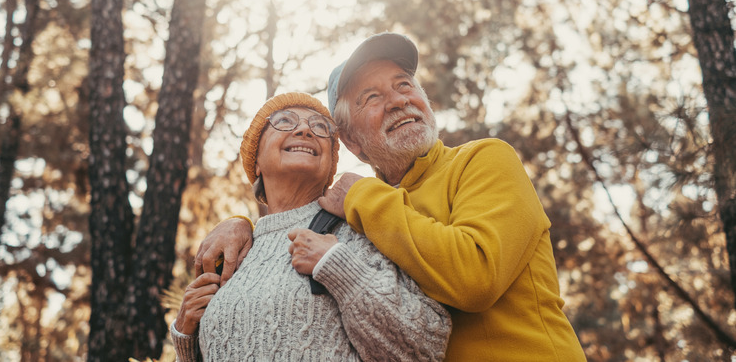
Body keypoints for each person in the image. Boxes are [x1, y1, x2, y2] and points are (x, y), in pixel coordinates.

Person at [197, 33, 589, 361]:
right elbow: (290, 223)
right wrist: (243, 225)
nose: (399, 100)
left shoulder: (482, 160)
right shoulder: (358, 215)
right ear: (351, 142)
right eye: (371, 97)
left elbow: (476, 277)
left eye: (404, 85)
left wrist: (362, 195)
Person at [171, 92, 451, 361]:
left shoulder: (358, 231)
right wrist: (185, 342)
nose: (305, 131)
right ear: (255, 160)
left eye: (320, 127)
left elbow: (426, 348)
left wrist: (339, 267)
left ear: (330, 164)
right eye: (284, 121)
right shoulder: (231, 253)